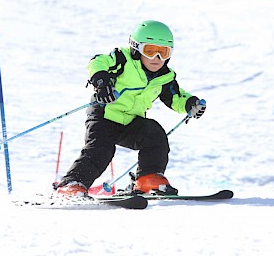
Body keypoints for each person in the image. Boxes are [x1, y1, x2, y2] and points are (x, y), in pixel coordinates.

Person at [55, 20, 206, 196]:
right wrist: (102, 83)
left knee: (155, 134)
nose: (156, 58)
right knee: (101, 150)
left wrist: (190, 104)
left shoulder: (164, 77)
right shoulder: (122, 59)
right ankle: (72, 184)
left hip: (132, 122)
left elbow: (176, 97)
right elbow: (98, 62)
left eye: (163, 53)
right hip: (105, 115)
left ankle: (148, 179)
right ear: (136, 49)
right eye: (150, 51)